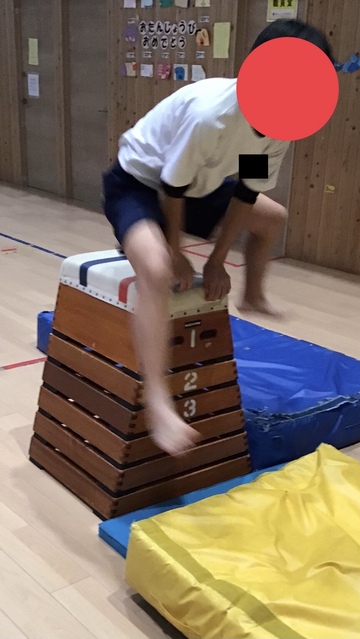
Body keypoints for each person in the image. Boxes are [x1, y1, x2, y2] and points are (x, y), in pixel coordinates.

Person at [102, 19, 333, 456]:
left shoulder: (278, 128)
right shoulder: (212, 114)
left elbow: (247, 191)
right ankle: (157, 399)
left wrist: (217, 261)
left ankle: (253, 296)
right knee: (156, 270)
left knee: (272, 217)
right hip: (138, 183)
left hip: (196, 187)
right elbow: (170, 188)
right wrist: (176, 253)